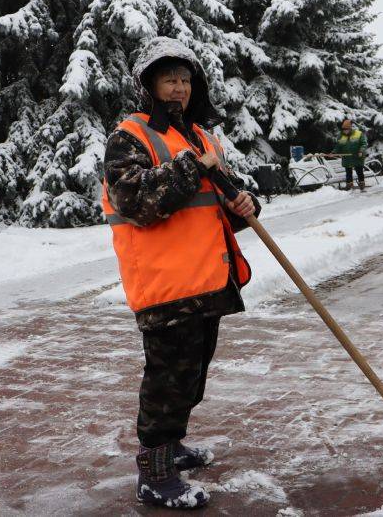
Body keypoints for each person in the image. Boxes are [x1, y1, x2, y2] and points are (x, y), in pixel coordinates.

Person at [101, 37, 260, 509]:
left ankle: (170, 448)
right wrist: (194, 166)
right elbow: (137, 203)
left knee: (191, 376)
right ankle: (154, 470)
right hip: (166, 284)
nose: (179, 88)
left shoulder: (197, 137)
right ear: (150, 84)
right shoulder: (130, 137)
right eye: (169, 79)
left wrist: (242, 205)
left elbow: (213, 201)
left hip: (207, 279)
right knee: (167, 378)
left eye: (186, 80)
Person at [333, 119, 368, 191]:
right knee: (348, 172)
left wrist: (361, 151)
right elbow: (338, 146)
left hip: (357, 156)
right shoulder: (341, 136)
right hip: (347, 158)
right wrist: (333, 153)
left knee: (359, 171)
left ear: (350, 128)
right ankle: (349, 186)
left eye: (346, 129)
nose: (345, 131)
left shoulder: (358, 134)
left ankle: (362, 185)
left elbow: (364, 144)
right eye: (343, 130)